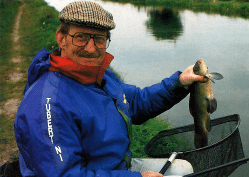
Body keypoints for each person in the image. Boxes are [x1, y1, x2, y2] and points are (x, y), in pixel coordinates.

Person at [14, 1, 207, 177]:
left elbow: (135, 102)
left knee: (184, 169)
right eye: (80, 37)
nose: (91, 48)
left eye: (99, 39)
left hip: (115, 169)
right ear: (61, 38)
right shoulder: (48, 105)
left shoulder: (98, 75)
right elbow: (65, 175)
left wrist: (180, 82)